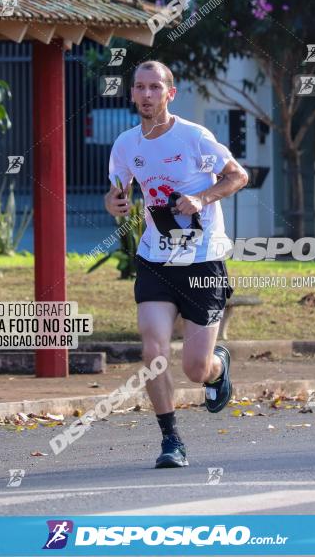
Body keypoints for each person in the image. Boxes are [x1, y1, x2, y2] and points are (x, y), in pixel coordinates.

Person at [104, 60, 248, 468]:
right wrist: (114, 203)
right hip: (155, 261)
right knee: (153, 352)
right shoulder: (126, 144)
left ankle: (218, 370)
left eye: (154, 88)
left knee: (194, 369)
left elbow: (238, 176)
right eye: (139, 87)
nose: (146, 95)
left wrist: (202, 198)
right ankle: (171, 440)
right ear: (131, 93)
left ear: (171, 93)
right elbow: (116, 191)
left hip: (202, 263)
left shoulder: (195, 137)